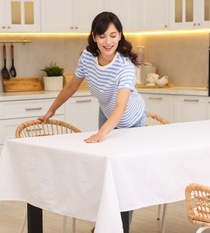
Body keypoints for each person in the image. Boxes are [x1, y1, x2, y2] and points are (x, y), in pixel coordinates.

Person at [39, 11, 146, 142]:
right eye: (102, 36)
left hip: (131, 120)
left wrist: (101, 133)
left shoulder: (125, 66)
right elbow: (72, 86)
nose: (108, 42)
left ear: (119, 35)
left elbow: (120, 107)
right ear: (94, 37)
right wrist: (52, 110)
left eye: (113, 35)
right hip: (107, 113)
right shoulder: (88, 56)